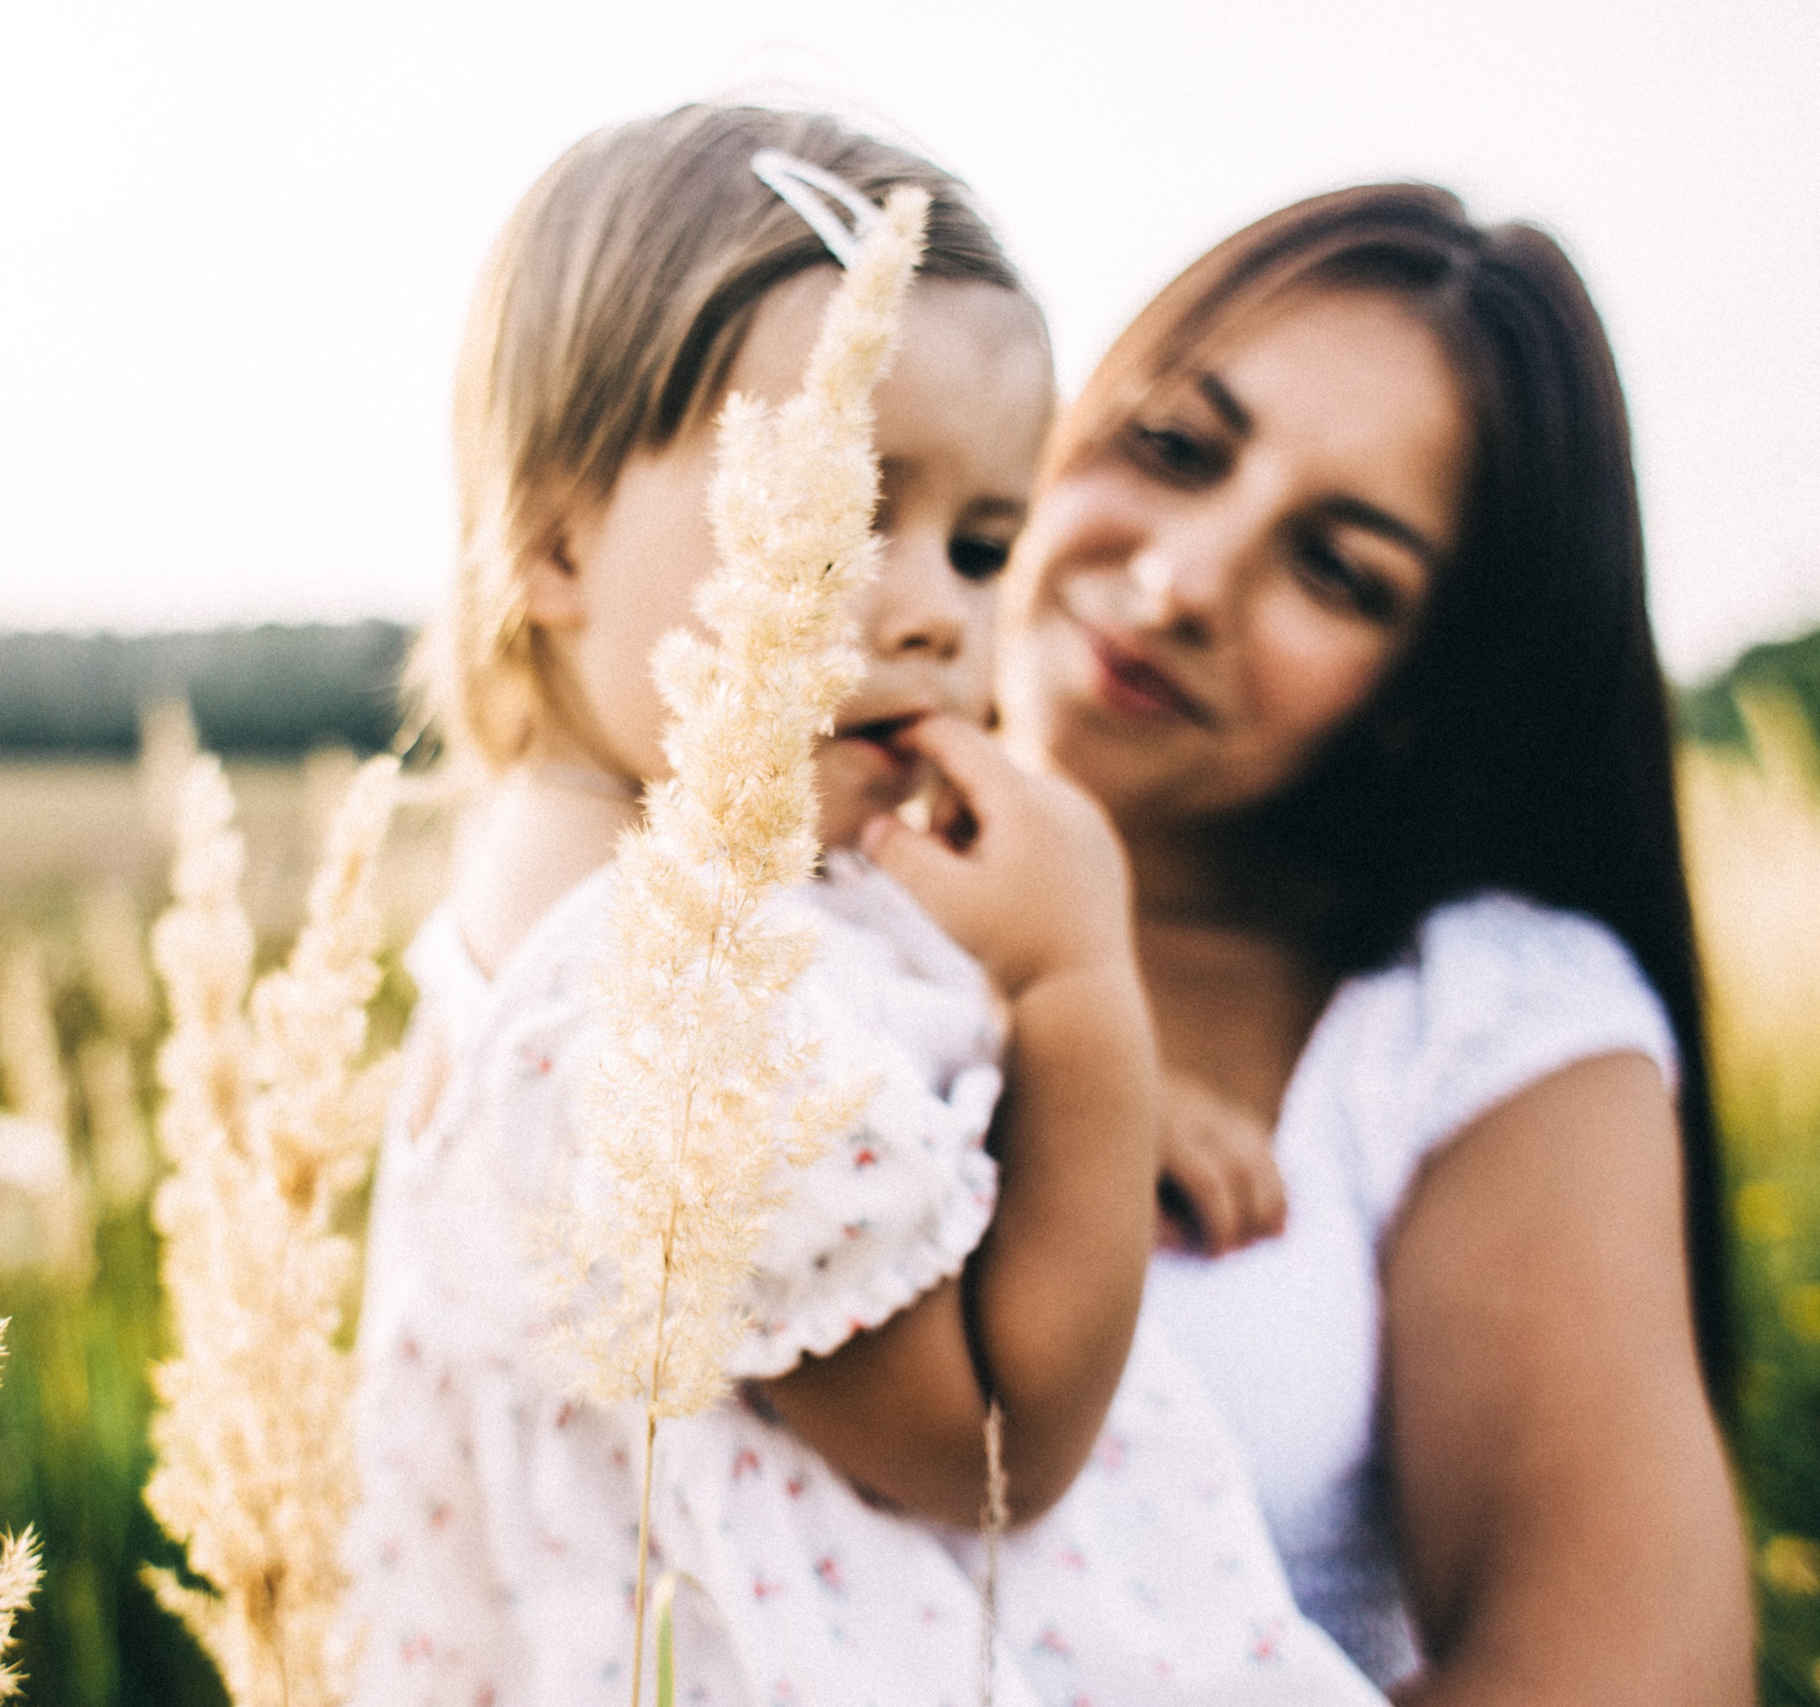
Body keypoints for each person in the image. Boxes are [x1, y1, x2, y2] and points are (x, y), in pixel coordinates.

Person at [348, 105, 1383, 1706]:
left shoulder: (671, 904)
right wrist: (1076, 991)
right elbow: (995, 1444)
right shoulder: (647, 1006)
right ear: (551, 539)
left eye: (983, 546)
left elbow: (892, 1125)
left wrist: (1071, 1105)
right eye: (836, 519)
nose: (927, 616)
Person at [995, 183, 1754, 1700]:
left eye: (1339, 571)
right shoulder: (756, 871)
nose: (1183, 581)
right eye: (1176, 448)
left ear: (1421, 693)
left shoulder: (1477, 1020)